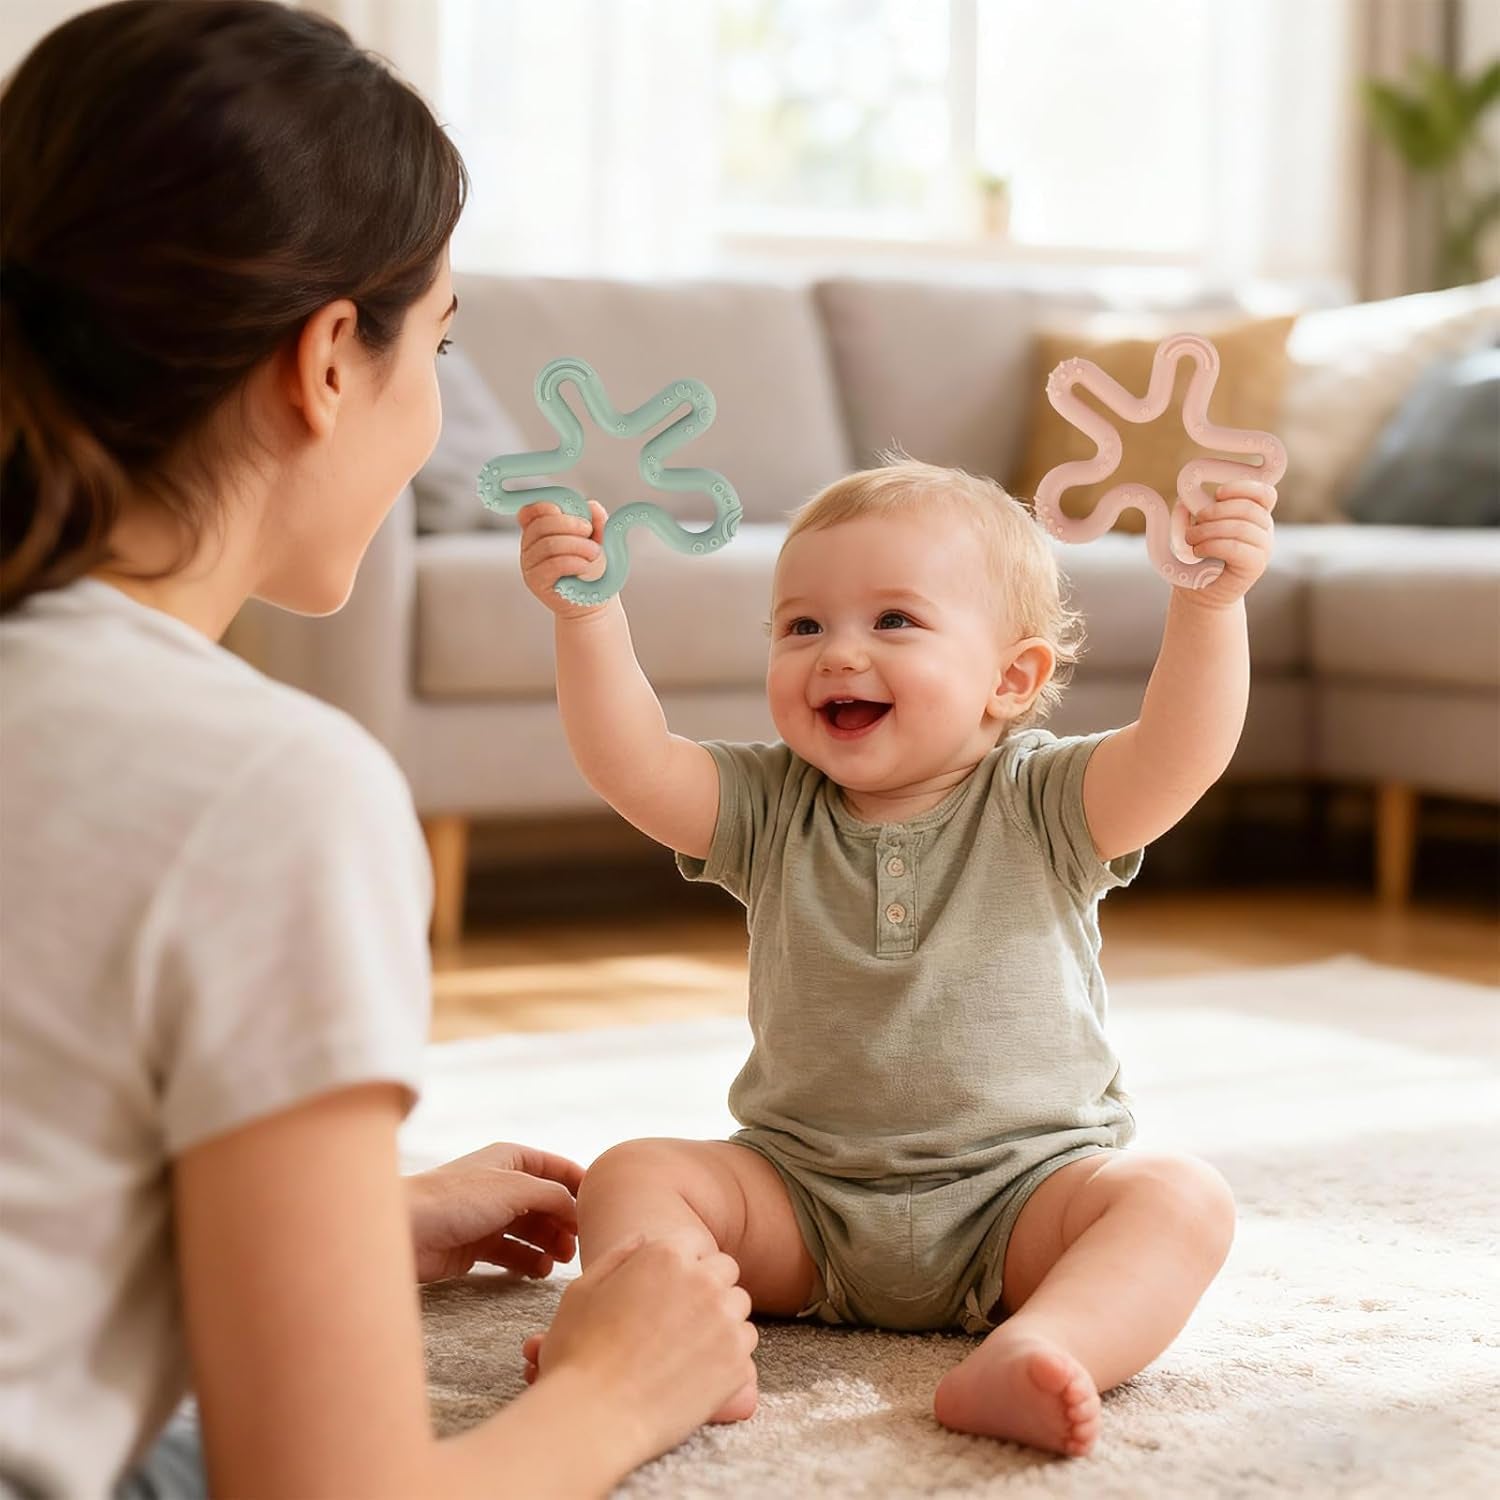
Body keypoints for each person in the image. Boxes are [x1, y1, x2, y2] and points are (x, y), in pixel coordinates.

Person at [0, 4, 755, 1497]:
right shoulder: (268, 787)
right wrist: (618, 1389)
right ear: (330, 358)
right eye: (442, 344)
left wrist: (340, 1224)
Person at [514, 456, 1277, 1457]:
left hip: (1022, 1202)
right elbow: (633, 762)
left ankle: (1049, 1345)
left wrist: (1212, 607)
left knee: (1179, 1199)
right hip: (801, 1195)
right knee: (631, 1173)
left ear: (1013, 678)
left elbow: (1181, 751)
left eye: (894, 622)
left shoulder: (1046, 802)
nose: (836, 655)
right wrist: (588, 618)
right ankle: (673, 1344)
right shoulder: (772, 805)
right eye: (802, 626)